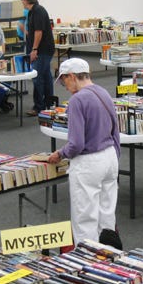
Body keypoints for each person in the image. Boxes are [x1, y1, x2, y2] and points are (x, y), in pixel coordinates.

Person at [47, 58, 122, 251]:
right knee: (107, 215)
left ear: (71, 76)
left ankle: (87, 265)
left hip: (89, 163)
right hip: (110, 157)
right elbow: (115, 131)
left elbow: (76, 144)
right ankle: (110, 258)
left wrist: (60, 153)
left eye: (64, 81)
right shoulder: (103, 92)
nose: (65, 86)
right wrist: (114, 157)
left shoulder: (77, 100)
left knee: (84, 219)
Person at [21, 0, 55, 116]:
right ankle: (49, 104)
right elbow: (33, 31)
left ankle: (39, 106)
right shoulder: (32, 12)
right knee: (46, 76)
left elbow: (39, 32)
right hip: (42, 49)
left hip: (42, 50)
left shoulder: (38, 11)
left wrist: (34, 49)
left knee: (37, 77)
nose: (21, 1)